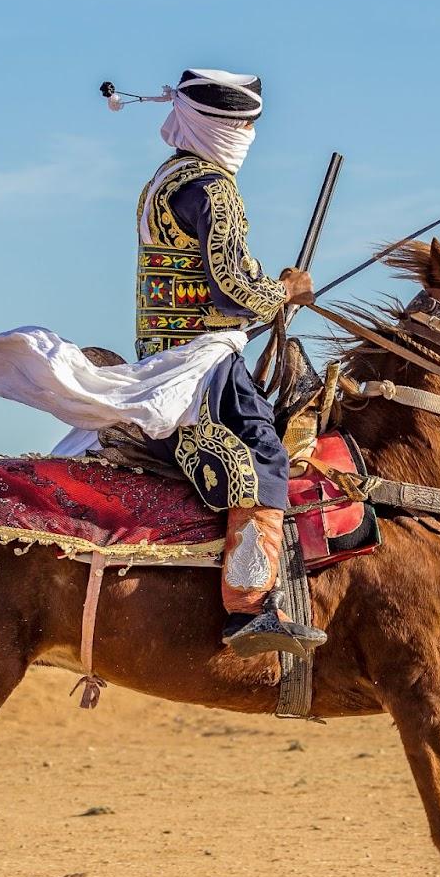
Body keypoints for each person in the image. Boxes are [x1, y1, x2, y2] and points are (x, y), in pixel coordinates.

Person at [128, 68, 326, 658]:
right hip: (202, 357)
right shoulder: (213, 188)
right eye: (239, 123)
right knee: (263, 452)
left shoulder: (163, 180)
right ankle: (249, 607)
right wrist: (286, 292)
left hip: (170, 348)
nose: (245, 133)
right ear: (212, 124)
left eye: (250, 124)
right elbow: (233, 291)